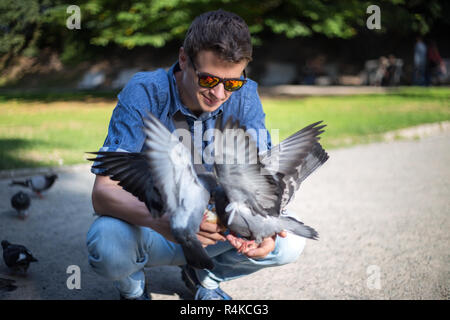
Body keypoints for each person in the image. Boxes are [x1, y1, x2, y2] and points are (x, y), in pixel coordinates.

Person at [86, 9, 305, 300]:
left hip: (217, 230)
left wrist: (262, 233)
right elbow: (103, 193)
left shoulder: (246, 94)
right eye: (209, 80)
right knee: (107, 242)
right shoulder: (144, 92)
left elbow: (260, 182)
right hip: (156, 225)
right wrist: (165, 221)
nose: (220, 94)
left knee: (289, 242)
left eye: (233, 83)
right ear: (183, 59)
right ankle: (132, 288)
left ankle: (205, 278)